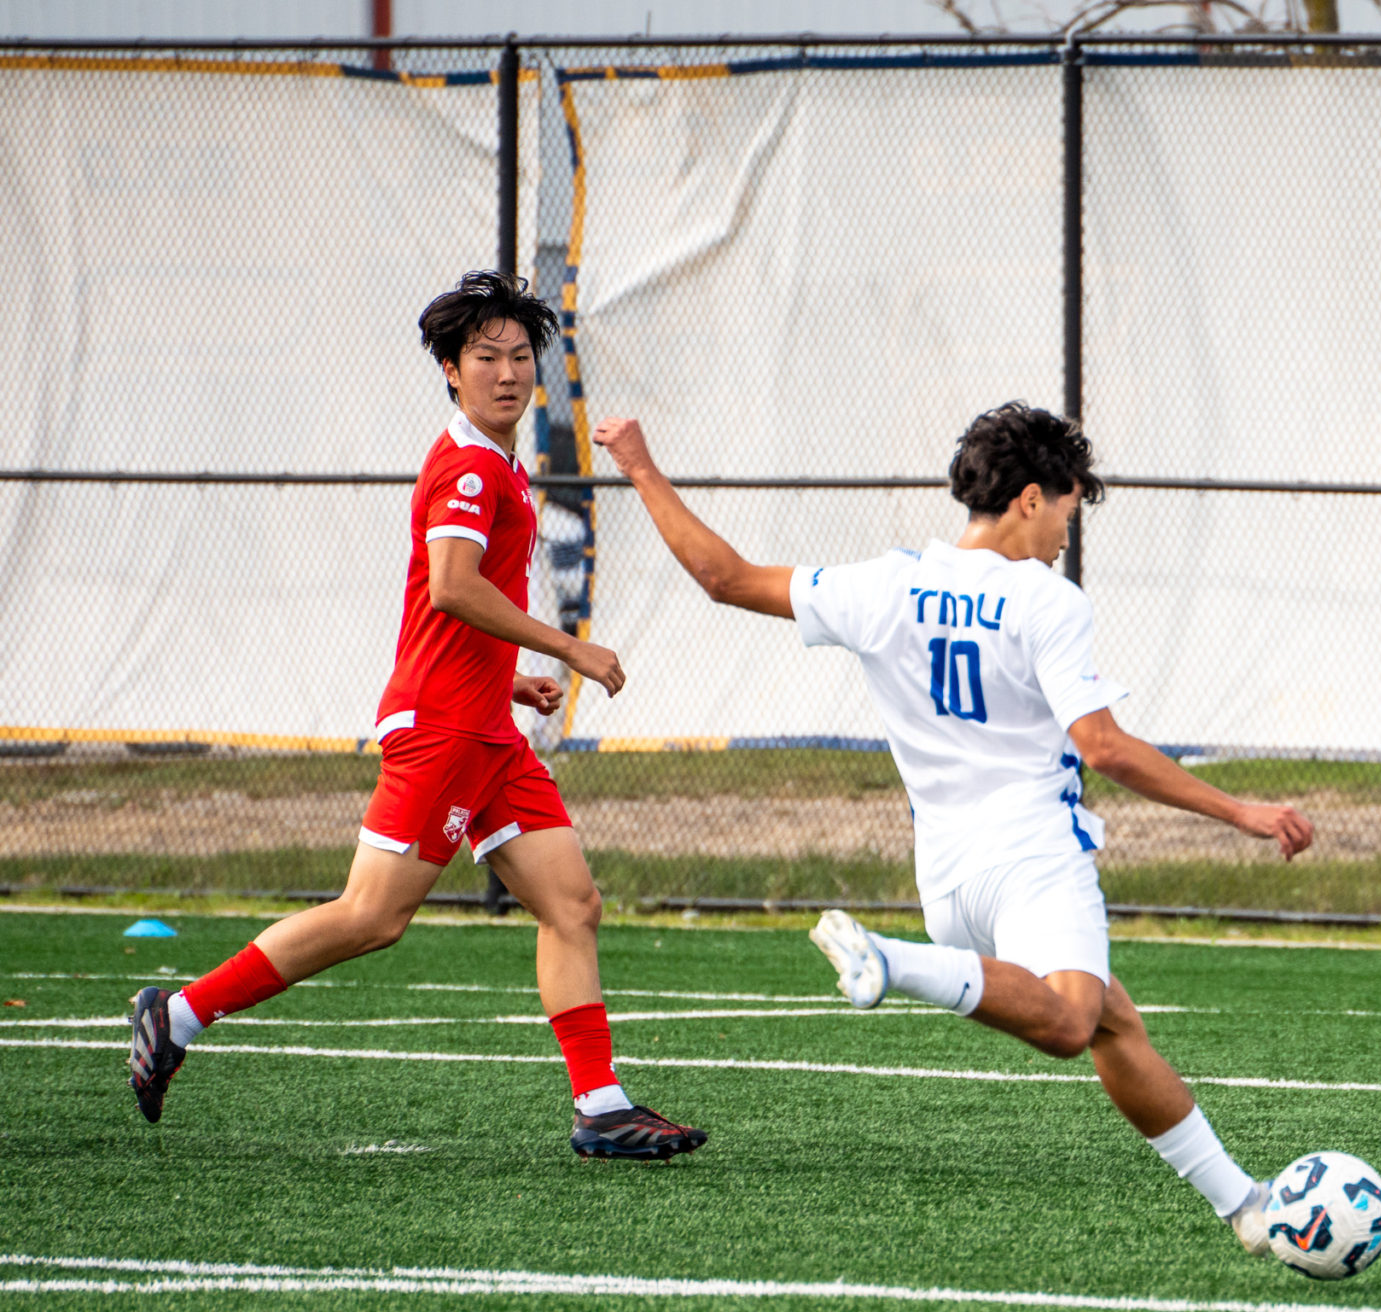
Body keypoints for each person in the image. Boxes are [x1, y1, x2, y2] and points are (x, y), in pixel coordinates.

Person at [590, 402, 1313, 1255]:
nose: (1064, 540)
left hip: (948, 880)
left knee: (1116, 1025)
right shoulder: (1046, 599)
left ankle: (1244, 1207)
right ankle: (886, 959)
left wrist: (638, 466)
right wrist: (1242, 811)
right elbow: (1103, 746)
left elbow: (725, 576)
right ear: (1032, 500)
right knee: (1074, 1023)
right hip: (1033, 862)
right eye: (1068, 516)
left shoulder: (885, 583)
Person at [127, 272, 705, 1163]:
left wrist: (507, 681)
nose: (508, 373)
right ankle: (181, 1012)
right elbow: (451, 585)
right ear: (449, 367)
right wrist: (570, 648)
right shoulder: (472, 466)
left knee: (572, 903)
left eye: (521, 356)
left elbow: (443, 609)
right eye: (486, 358)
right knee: (372, 915)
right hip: (442, 730)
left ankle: (601, 1105)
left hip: (486, 728)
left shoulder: (498, 460)